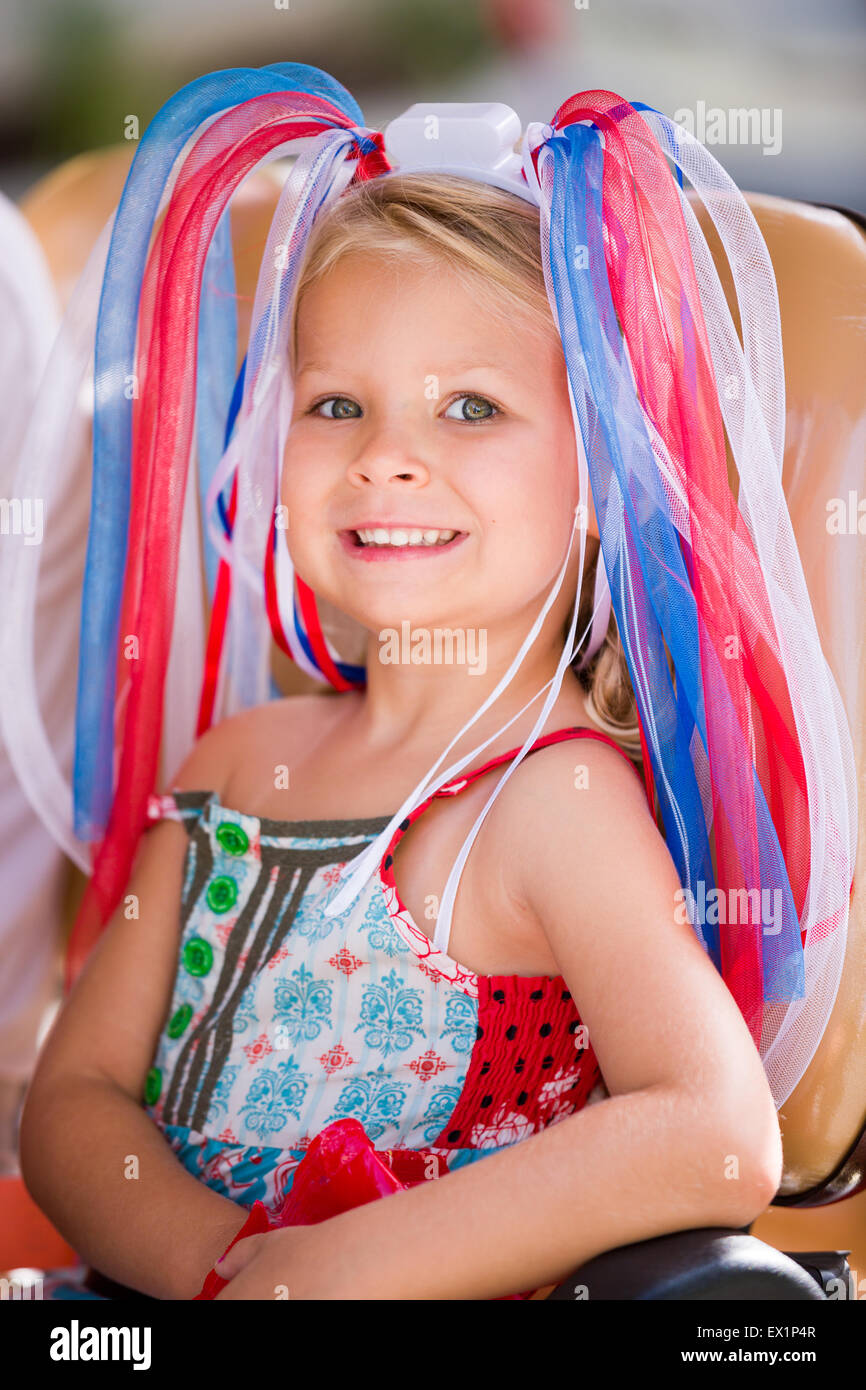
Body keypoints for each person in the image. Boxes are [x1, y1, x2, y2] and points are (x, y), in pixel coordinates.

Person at [15, 66, 855, 1301]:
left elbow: (714, 1131)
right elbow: (74, 1100)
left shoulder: (552, 803)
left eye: (471, 407)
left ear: (594, 483)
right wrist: (216, 1268)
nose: (388, 457)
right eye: (336, 403)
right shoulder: (234, 765)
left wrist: (339, 1268)